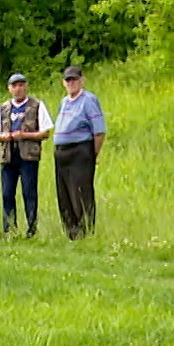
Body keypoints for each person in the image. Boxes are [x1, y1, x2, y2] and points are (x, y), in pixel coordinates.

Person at [0, 73, 52, 238]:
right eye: (15, 85)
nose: (18, 88)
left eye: (21, 85)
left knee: (29, 193)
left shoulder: (37, 105)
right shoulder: (3, 108)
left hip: (28, 157)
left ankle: (32, 229)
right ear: (9, 88)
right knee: (7, 193)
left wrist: (25, 135)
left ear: (26, 86)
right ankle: (9, 229)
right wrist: (6, 137)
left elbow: (45, 133)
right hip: (8, 156)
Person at [52, 65, 106, 239]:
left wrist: (92, 155)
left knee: (80, 193)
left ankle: (86, 232)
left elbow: (99, 131)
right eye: (68, 80)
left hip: (80, 151)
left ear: (82, 80)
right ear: (63, 83)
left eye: (74, 80)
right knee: (64, 194)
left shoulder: (88, 100)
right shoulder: (64, 102)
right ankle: (71, 233)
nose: (71, 83)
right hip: (62, 152)